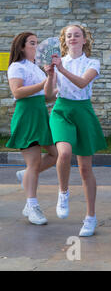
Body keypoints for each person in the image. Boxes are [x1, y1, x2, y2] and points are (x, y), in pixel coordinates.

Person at [47, 24, 106, 237]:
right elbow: (49, 96)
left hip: (83, 111)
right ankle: (63, 193)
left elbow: (82, 83)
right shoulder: (57, 62)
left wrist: (61, 69)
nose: (72, 38)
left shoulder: (92, 63)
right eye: (68, 35)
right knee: (64, 153)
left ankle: (90, 217)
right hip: (61, 109)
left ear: (84, 39)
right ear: (65, 40)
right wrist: (50, 75)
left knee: (85, 169)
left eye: (77, 35)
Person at [6, 32, 58, 225]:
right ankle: (31, 205)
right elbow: (17, 92)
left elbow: (46, 97)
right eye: (32, 43)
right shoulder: (16, 67)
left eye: (36, 43)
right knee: (34, 163)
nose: (36, 47)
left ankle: (26, 173)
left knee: (55, 155)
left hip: (40, 115)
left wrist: (54, 86)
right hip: (27, 116)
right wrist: (44, 83)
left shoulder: (36, 68)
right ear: (22, 47)